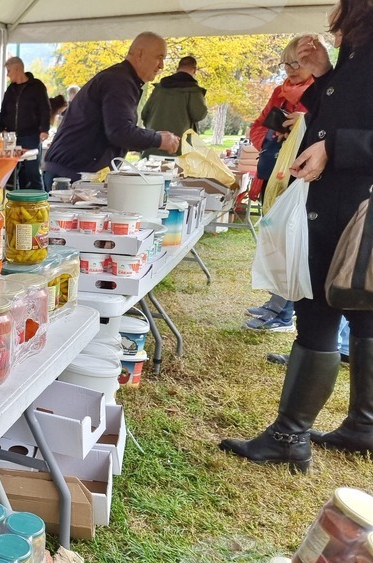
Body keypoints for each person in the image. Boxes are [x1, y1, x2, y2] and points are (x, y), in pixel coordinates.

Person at [220, 2, 373, 472]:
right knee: (359, 309)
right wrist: (326, 76)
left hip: (353, 203)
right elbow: (342, 111)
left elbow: (341, 131)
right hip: (344, 200)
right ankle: (363, 426)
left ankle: (292, 434)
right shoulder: (359, 42)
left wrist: (335, 148)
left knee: (323, 308)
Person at [243, 36, 316, 335]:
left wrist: (302, 126)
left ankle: (284, 313)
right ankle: (276, 305)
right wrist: (273, 137)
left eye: (297, 63)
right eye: (286, 63)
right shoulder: (278, 92)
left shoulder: (322, 93)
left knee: (293, 245)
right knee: (274, 241)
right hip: (274, 176)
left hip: (301, 181)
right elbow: (256, 128)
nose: (291, 69)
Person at [43, 32, 180, 189]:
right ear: (139, 54)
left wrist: (154, 138)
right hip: (71, 176)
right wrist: (158, 139)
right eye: (159, 57)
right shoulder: (119, 81)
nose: (161, 65)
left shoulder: (121, 79)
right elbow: (120, 132)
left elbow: (118, 130)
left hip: (72, 171)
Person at [0, 57, 50, 191]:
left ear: (17, 69)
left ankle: (38, 198)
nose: (8, 75)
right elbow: (4, 111)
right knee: (12, 172)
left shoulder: (36, 86)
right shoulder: (11, 90)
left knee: (32, 171)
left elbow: (45, 108)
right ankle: (16, 198)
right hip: (12, 138)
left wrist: (44, 129)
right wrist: (1, 129)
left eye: (9, 71)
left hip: (31, 136)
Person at [140, 55, 208, 158]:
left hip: (153, 147)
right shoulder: (193, 91)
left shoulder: (159, 89)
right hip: (177, 150)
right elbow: (199, 115)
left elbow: (144, 114)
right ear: (194, 70)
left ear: (177, 68)